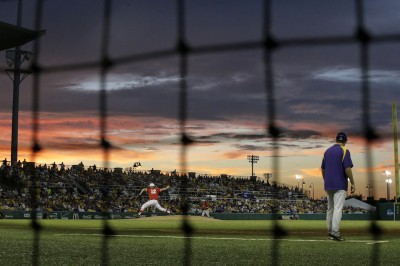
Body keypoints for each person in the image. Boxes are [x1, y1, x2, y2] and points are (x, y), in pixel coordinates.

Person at [321, 132, 355, 241]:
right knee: (337, 209)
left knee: (330, 208)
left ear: (336, 140)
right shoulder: (345, 150)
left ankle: (330, 232)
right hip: (340, 184)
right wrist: (353, 182)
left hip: (328, 184)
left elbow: (323, 169)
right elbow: (347, 168)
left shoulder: (327, 151)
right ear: (345, 141)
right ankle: (335, 233)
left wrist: (326, 180)